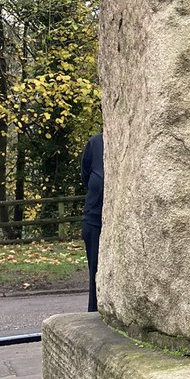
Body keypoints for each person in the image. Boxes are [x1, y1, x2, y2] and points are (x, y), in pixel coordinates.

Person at [81, 132, 104, 312]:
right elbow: (85, 175)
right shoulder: (96, 142)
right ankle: (94, 314)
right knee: (95, 271)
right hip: (95, 217)